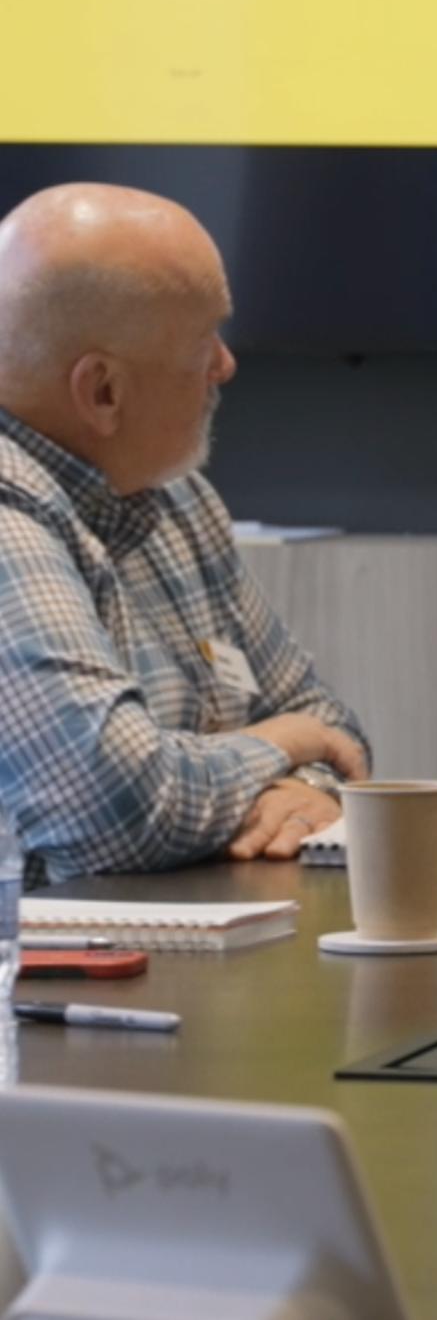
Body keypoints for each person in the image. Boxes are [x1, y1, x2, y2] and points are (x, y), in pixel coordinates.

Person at [0, 184, 368, 883]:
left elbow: (330, 724)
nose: (225, 365)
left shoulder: (173, 494)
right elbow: (113, 812)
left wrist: (305, 785)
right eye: (204, 340)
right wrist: (283, 743)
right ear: (103, 391)